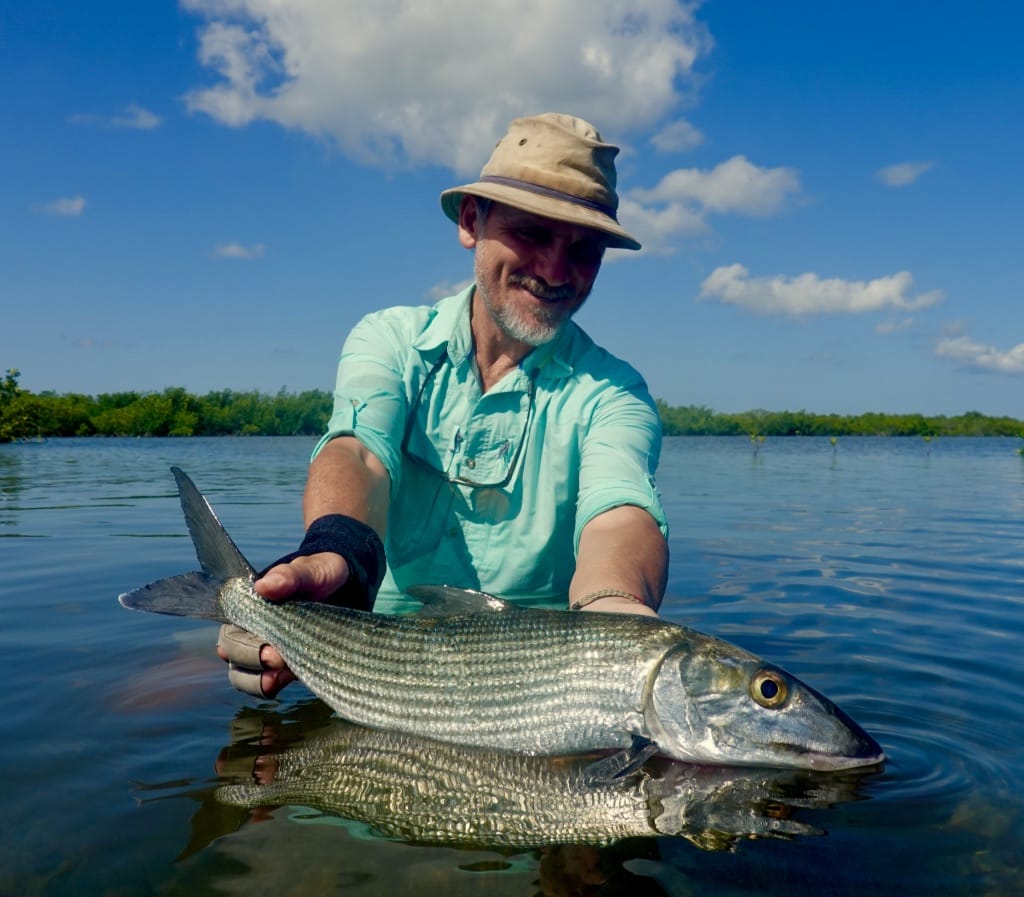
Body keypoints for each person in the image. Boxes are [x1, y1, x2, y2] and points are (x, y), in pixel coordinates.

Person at [217, 113, 670, 698]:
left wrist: (618, 615)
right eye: (531, 233)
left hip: (539, 687)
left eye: (584, 250)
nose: (556, 271)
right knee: (154, 690)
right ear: (470, 220)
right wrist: (335, 553)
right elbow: (360, 454)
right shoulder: (391, 340)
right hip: (376, 661)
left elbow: (620, 508)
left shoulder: (615, 391)